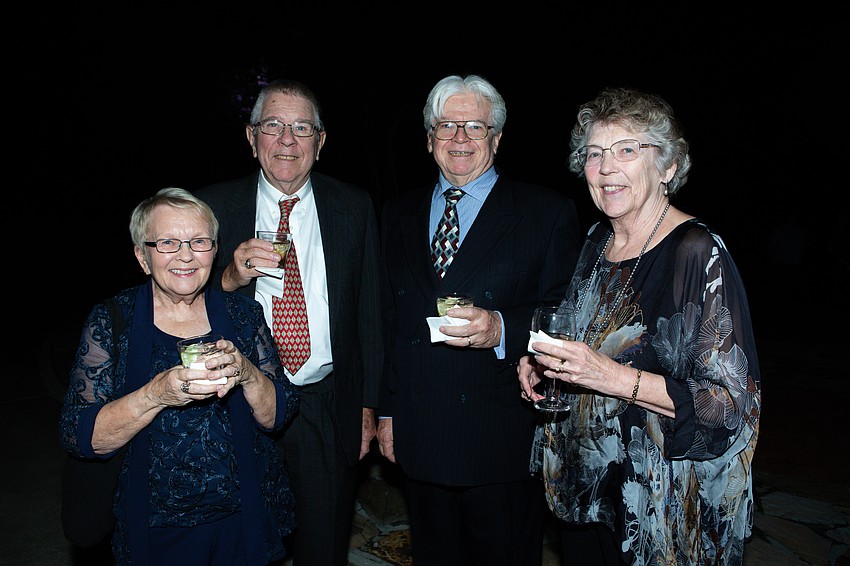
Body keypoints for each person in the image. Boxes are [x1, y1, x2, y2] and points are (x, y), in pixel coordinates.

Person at [518, 87, 761, 565]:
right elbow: (582, 338)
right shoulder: (596, 241)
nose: (606, 168)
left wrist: (610, 377)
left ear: (667, 167)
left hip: (661, 506)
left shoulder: (697, 253)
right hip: (590, 491)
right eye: (593, 154)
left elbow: (731, 406)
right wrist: (543, 362)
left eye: (627, 150)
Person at [377, 74, 581, 565]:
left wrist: (501, 328)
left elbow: (571, 313)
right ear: (428, 140)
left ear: (497, 138)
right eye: (446, 126)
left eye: (475, 126)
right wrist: (386, 411)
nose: (460, 138)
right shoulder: (395, 214)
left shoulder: (545, 212)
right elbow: (386, 320)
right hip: (421, 432)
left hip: (501, 439)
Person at [194, 78, 383, 565]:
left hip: (323, 402)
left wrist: (368, 404)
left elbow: (370, 314)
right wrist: (229, 279)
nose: (287, 140)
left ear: (320, 143)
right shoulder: (210, 208)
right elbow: (175, 308)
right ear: (251, 137)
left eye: (302, 128)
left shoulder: (354, 207)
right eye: (273, 125)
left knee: (323, 547)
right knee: (239, 545)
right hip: (233, 399)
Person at [59, 187, 299, 565]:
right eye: (168, 242)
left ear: (214, 250)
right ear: (142, 256)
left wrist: (248, 374)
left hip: (242, 520)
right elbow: (80, 435)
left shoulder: (243, 315)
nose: (186, 255)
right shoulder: (112, 321)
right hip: (156, 529)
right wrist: (156, 394)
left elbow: (278, 415)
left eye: (199, 241)